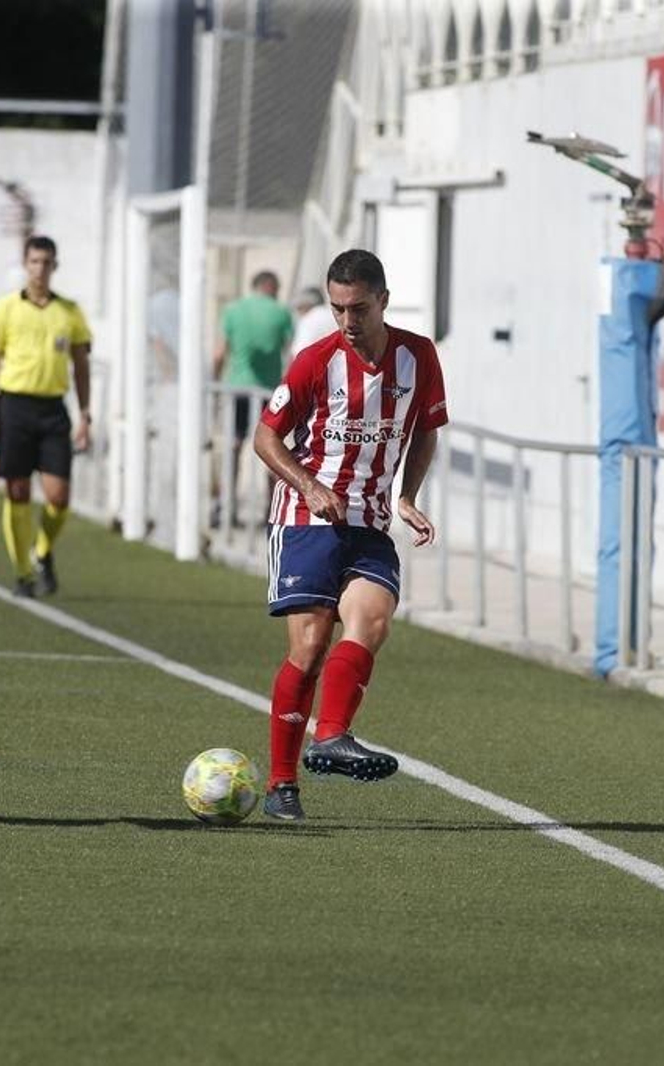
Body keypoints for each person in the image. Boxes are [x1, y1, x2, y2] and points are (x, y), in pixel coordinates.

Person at [252, 249, 449, 822]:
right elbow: (267, 440)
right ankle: (281, 784)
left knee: (373, 618)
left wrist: (407, 495)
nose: (347, 320)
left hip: (369, 523)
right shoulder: (314, 362)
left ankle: (332, 735)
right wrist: (309, 485)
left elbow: (427, 432)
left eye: (358, 308)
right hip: (306, 519)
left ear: (383, 300)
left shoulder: (420, 357)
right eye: (338, 308)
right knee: (310, 648)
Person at [0, 235, 93, 597]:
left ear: (55, 266)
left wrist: (86, 414)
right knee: (17, 490)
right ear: (25, 264)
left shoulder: (70, 312)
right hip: (13, 406)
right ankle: (23, 573)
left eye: (47, 262)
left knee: (58, 496)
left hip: (52, 409)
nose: (40, 269)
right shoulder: (4, 309)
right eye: (34, 262)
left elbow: (81, 365)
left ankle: (42, 551)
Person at [213, 270, 293, 453]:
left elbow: (218, 354)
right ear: (271, 287)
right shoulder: (281, 312)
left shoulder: (233, 310)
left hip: (238, 388)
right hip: (270, 391)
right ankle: (273, 482)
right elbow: (291, 354)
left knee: (235, 440)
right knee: (273, 443)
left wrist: (216, 383)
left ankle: (229, 480)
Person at [290, 285, 330, 356]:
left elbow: (299, 352)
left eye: (300, 307)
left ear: (307, 304)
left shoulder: (309, 318)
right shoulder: (333, 315)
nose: (299, 313)